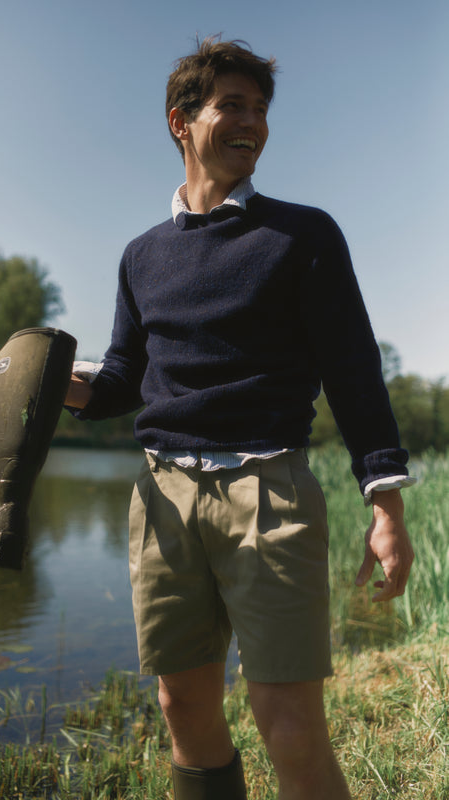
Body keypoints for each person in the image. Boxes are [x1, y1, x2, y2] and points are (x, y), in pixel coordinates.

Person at [65, 37, 415, 800]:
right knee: (181, 704)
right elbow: (125, 378)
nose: (251, 121)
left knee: (286, 721)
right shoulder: (140, 255)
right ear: (180, 123)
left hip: (270, 493)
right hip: (162, 500)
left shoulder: (302, 235)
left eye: (259, 109)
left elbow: (354, 372)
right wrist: (63, 386)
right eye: (232, 105)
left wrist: (384, 503)